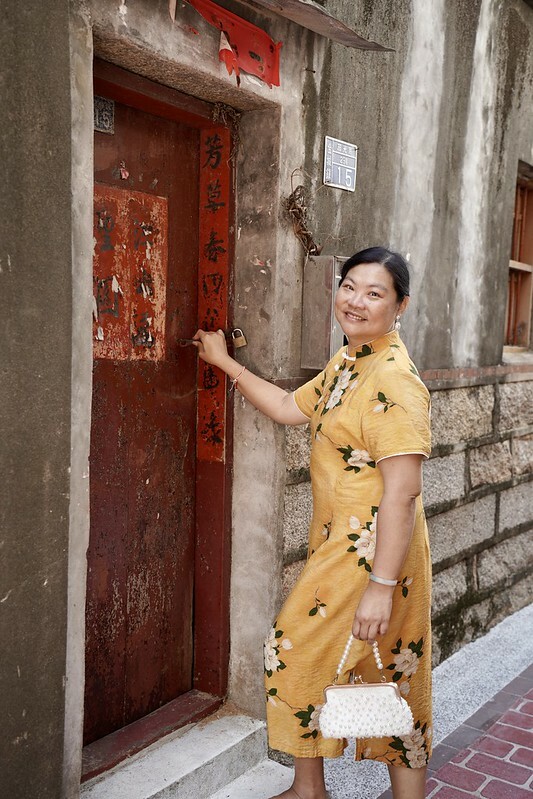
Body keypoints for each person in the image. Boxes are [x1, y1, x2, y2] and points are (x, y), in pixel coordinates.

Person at [193, 247, 432, 799]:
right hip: (347, 547)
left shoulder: (394, 380)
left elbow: (402, 493)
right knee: (390, 670)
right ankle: (310, 789)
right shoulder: (350, 361)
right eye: (350, 286)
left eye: (375, 293)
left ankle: (310, 791)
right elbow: (285, 406)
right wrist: (224, 362)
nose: (356, 300)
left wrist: (380, 586)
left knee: (295, 651)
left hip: (373, 553)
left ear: (401, 306)